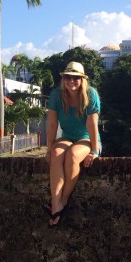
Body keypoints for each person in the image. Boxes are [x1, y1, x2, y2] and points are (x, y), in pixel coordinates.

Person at [45, 61, 101, 226]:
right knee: (56, 154)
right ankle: (56, 204)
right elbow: (52, 124)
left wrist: (95, 151)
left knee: (73, 155)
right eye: (68, 77)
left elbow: (92, 125)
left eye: (76, 77)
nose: (71, 81)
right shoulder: (56, 95)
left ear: (82, 79)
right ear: (63, 79)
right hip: (67, 136)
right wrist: (49, 148)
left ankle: (62, 201)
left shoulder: (91, 94)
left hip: (87, 138)